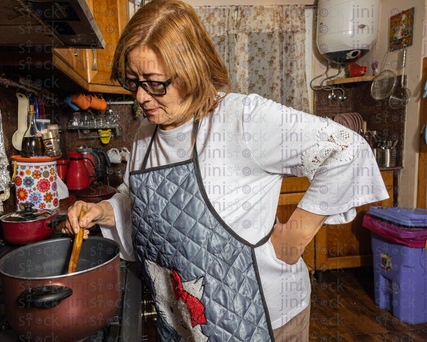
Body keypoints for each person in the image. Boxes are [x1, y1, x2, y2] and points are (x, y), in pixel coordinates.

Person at [64, 0, 389, 340]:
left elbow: (345, 147)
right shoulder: (148, 131)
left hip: (263, 316)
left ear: (192, 70)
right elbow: (140, 197)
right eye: (133, 82)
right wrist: (102, 211)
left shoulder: (242, 119)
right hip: (188, 317)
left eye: (155, 83)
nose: (142, 97)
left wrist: (297, 234)